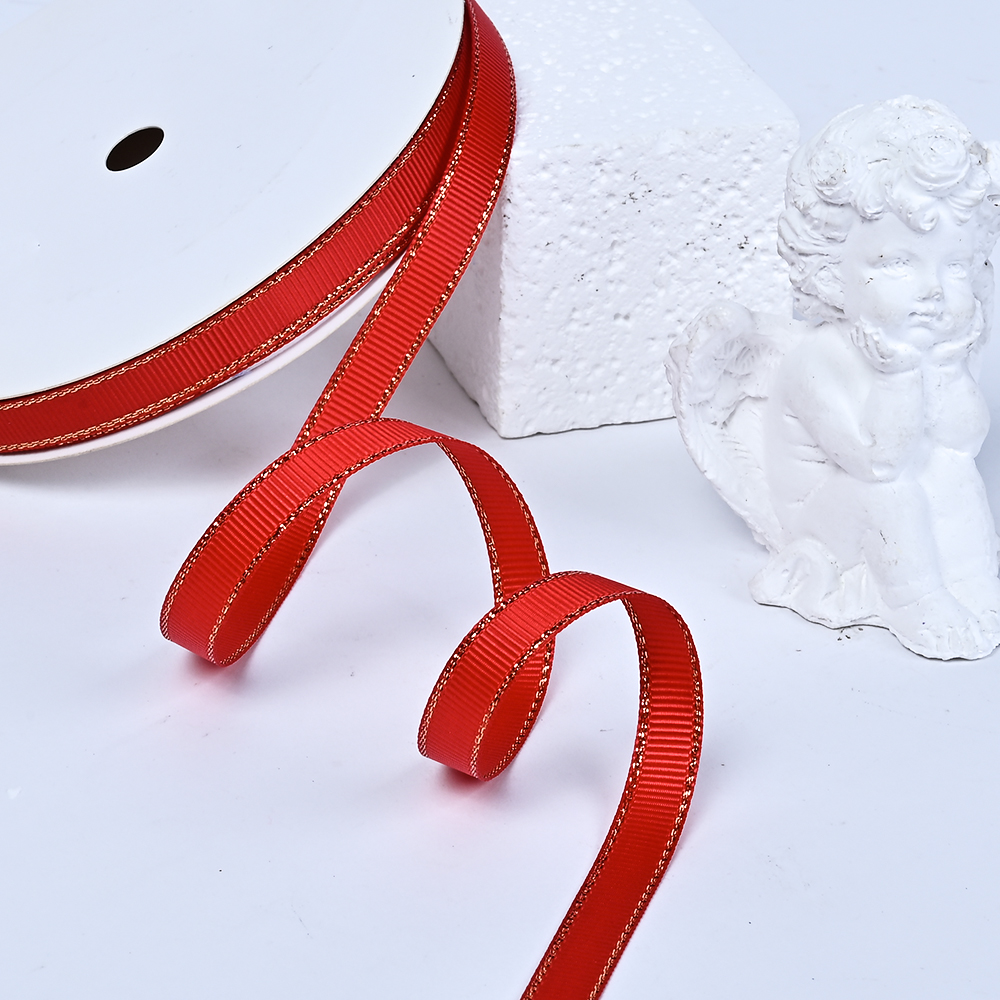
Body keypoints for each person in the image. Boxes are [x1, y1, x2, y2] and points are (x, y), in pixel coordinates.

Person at [669, 96, 1000, 658]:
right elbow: (877, 463)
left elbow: (962, 439)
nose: (933, 291)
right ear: (829, 273)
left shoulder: (923, 345)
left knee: (953, 470)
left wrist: (945, 369)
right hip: (826, 517)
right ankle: (915, 600)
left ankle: (971, 580)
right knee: (892, 495)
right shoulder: (816, 360)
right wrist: (898, 378)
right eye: (898, 264)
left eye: (954, 267)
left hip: (885, 479)